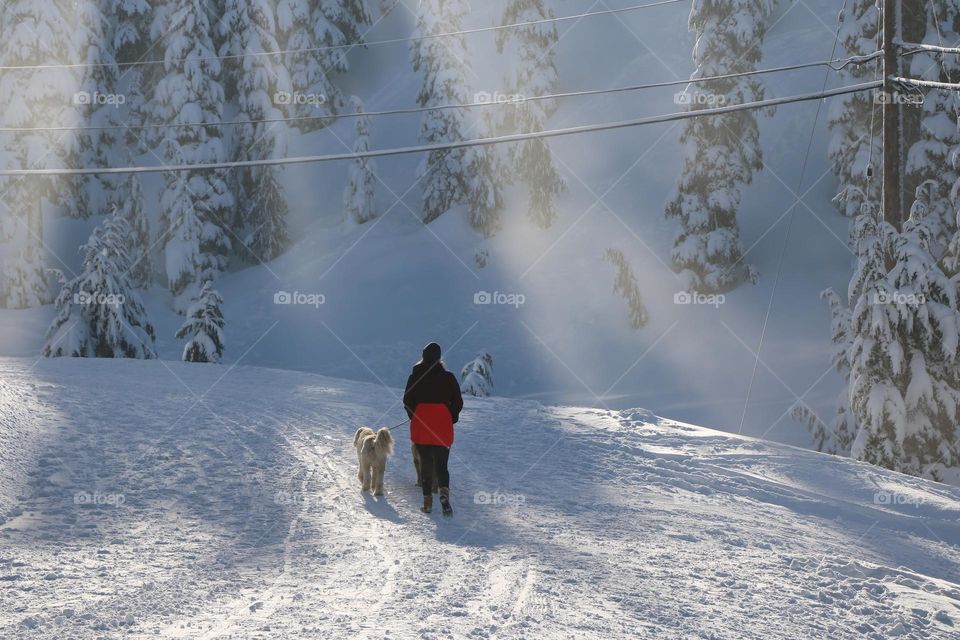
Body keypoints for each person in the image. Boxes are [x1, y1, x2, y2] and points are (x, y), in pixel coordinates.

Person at [403, 342, 463, 515]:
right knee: (442, 465)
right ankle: (444, 495)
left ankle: (427, 503)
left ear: (423, 357)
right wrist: (450, 417)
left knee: (426, 464)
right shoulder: (449, 377)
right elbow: (458, 402)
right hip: (442, 425)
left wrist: (414, 417)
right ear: (439, 358)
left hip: (421, 425)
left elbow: (407, 401)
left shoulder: (415, 376)